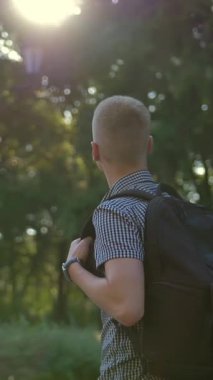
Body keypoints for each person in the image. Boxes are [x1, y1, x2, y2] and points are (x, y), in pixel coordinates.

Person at [64, 95, 164, 380]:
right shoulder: (174, 205)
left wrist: (73, 267)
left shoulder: (116, 211)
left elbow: (127, 307)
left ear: (95, 151)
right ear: (149, 145)